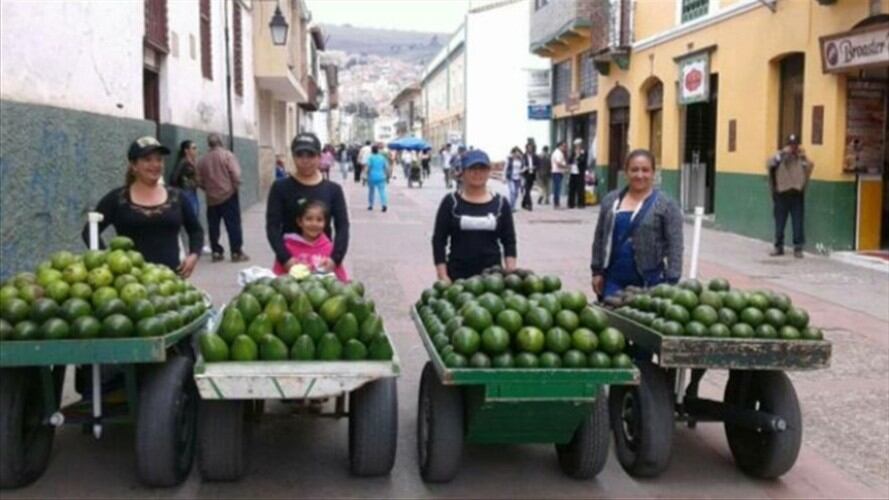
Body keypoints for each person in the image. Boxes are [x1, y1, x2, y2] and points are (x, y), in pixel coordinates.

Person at [83, 136, 203, 277]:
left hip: (171, 283)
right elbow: (89, 232)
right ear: (134, 165)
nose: (155, 165)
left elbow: (195, 230)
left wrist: (194, 255)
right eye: (147, 160)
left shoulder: (177, 197)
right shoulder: (117, 198)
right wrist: (107, 261)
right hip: (130, 285)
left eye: (159, 159)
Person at [591, 149, 684, 299]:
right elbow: (599, 238)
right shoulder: (610, 201)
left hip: (650, 284)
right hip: (613, 281)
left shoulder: (666, 205)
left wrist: (672, 282)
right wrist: (596, 271)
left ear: (653, 173)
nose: (640, 175)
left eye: (645, 170)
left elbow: (675, 246)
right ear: (626, 172)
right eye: (634, 170)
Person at [267, 132, 351, 275]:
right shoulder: (280, 188)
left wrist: (335, 259)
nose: (305, 160)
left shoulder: (333, 190)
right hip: (290, 262)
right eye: (300, 155)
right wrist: (286, 259)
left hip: (323, 262)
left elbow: (342, 226)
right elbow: (273, 227)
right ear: (293, 157)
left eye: (310, 155)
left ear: (319, 157)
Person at [432, 149, 517, 282]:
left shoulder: (501, 203)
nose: (477, 173)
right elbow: (439, 241)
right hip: (458, 278)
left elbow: (509, 241)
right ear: (463, 172)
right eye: (472, 168)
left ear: (488, 172)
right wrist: (442, 275)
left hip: (493, 280)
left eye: (482, 168)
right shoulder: (450, 202)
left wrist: (511, 273)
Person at [196, 133, 249, 262]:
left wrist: (207, 189)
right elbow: (235, 174)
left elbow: (198, 180)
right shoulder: (227, 155)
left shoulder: (202, 160)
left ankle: (216, 251)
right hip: (228, 194)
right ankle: (236, 252)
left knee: (213, 226)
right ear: (220, 142)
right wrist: (235, 187)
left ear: (209, 144)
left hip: (211, 198)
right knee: (233, 225)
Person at [271, 200, 349, 282]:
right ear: (300, 222)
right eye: (309, 219)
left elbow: (341, 280)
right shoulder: (287, 248)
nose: (314, 224)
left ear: (325, 223)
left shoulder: (329, 248)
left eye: (319, 220)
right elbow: (277, 279)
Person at [768, 134, 813, 258]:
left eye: (795, 145)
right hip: (782, 193)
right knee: (780, 222)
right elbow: (770, 163)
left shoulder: (801, 158)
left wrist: (802, 156)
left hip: (796, 194)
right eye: (791, 145)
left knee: (798, 222)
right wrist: (782, 154)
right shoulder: (779, 156)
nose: (793, 148)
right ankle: (778, 246)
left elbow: (810, 166)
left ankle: (798, 248)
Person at [170, 140, 200, 219]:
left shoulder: (192, 162)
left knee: (194, 216)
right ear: (186, 150)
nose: (196, 150)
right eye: (193, 148)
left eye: (195, 148)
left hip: (192, 192)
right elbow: (173, 178)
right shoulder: (183, 162)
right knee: (192, 216)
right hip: (186, 192)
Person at [367, 145, 390, 212]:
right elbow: (387, 167)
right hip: (381, 176)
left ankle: (371, 205)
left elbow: (368, 167)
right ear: (378, 151)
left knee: (371, 191)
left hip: (372, 176)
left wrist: (365, 175)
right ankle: (384, 205)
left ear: (372, 151)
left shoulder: (370, 158)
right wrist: (388, 175)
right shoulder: (382, 158)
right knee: (382, 192)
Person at [568, 138, 588, 209]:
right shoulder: (573, 152)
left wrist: (578, 156)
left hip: (580, 172)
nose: (577, 147)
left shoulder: (583, 152)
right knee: (571, 188)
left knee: (580, 188)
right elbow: (570, 160)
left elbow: (583, 161)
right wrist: (574, 157)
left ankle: (581, 204)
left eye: (579, 145)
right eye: (576, 145)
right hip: (573, 172)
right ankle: (571, 204)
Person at [521, 143, 538, 211]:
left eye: (531, 147)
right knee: (527, 190)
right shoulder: (523, 156)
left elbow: (538, 164)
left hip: (532, 175)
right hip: (526, 174)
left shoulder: (535, 156)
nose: (530, 149)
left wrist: (535, 167)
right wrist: (525, 168)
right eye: (528, 147)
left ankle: (523, 203)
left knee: (528, 190)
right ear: (526, 148)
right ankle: (529, 205)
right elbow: (521, 165)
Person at [551, 141, 568, 208]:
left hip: (558, 172)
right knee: (557, 189)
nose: (564, 148)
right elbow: (558, 163)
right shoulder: (558, 153)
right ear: (559, 146)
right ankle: (556, 203)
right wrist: (566, 167)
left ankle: (556, 203)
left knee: (557, 188)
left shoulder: (558, 152)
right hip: (557, 172)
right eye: (563, 146)